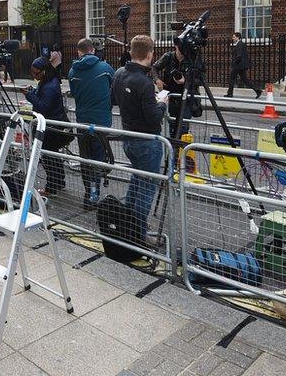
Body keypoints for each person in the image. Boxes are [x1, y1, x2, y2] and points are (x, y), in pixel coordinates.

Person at [112, 35, 169, 238]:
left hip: (129, 139)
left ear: (131, 52)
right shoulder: (144, 82)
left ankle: (128, 226)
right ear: (150, 54)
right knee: (146, 188)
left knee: (137, 180)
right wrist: (162, 103)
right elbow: (154, 119)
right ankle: (137, 233)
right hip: (147, 142)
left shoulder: (119, 73)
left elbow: (116, 99)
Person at [68, 38, 114, 208]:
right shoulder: (105, 68)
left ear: (79, 52)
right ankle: (95, 194)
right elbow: (114, 86)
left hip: (82, 122)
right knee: (98, 158)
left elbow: (74, 93)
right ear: (93, 50)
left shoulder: (73, 71)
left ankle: (89, 193)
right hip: (101, 122)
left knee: (85, 158)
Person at [23, 56, 69, 196]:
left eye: (36, 73)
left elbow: (44, 106)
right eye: (32, 73)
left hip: (50, 127)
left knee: (50, 158)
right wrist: (34, 92)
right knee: (54, 156)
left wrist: (30, 95)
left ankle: (52, 188)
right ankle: (59, 183)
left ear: (44, 71)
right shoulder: (48, 81)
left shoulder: (49, 85)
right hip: (52, 125)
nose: (34, 75)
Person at [153, 44, 197, 139]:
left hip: (186, 97)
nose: (182, 52)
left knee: (183, 128)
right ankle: (174, 150)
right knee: (172, 126)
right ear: (176, 47)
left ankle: (181, 149)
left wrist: (185, 81)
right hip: (172, 97)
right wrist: (157, 79)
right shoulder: (168, 57)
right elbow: (154, 67)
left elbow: (199, 80)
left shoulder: (192, 59)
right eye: (180, 49)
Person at [225, 32, 262, 99]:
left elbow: (239, 56)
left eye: (234, 37)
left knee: (232, 78)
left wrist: (234, 63)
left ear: (237, 37)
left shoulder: (239, 44)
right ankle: (257, 90)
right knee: (245, 79)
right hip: (242, 65)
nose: (232, 38)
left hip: (239, 65)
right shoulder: (241, 44)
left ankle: (230, 93)